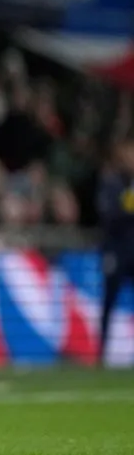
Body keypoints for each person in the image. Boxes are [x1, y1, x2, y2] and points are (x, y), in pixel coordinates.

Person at [97, 135, 134, 364]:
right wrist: (129, 204)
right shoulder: (111, 183)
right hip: (116, 251)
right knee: (109, 300)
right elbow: (110, 216)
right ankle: (102, 352)